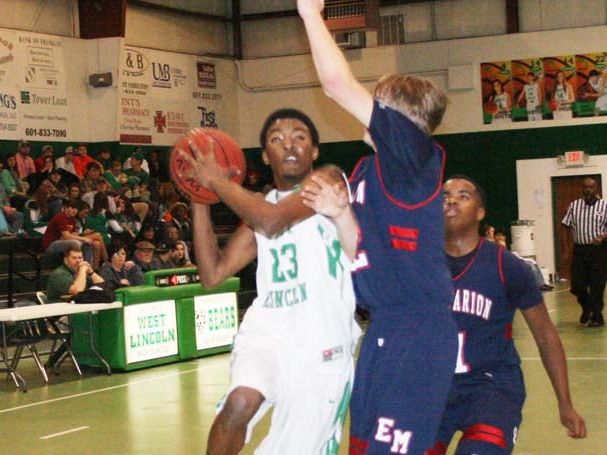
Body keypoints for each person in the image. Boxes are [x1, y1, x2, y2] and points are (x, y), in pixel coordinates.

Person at [298, 3, 459, 453]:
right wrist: (339, 214)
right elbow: (361, 251)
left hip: (419, 331)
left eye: (375, 101)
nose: (365, 107)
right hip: (383, 327)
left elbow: (335, 84)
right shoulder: (369, 171)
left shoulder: (414, 154)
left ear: (396, 115)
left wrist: (311, 14)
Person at [177, 108, 360, 455]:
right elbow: (212, 275)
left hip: (322, 339)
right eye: (277, 139)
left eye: (300, 137)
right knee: (238, 404)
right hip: (270, 328)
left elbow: (274, 221)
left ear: (315, 151)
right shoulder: (259, 211)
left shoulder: (329, 181)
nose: (289, 144)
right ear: (264, 156)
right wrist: (199, 196)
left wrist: (215, 180)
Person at [426, 176, 586, 454]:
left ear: (480, 213)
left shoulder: (506, 266)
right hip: (432, 386)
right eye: (444, 196)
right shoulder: (419, 264)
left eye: (463, 196)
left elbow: (545, 335)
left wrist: (565, 403)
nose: (450, 200)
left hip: (491, 385)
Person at [561, 177, 607, 327]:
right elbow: (565, 226)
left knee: (596, 285)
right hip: (580, 249)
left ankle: (597, 316)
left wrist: (602, 237)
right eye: (585, 187)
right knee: (577, 285)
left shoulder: (605, 206)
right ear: (582, 189)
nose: (588, 190)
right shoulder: (574, 206)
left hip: (600, 250)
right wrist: (567, 248)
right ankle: (587, 308)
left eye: (591, 187)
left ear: (596, 189)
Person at [44, 245, 105, 368]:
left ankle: (93, 357)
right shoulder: (59, 274)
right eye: (74, 258)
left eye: (80, 258)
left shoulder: (77, 273)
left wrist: (91, 272)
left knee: (100, 318)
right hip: (57, 319)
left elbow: (102, 285)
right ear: (66, 259)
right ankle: (87, 359)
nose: (78, 261)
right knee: (92, 321)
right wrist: (82, 271)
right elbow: (77, 290)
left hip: (73, 314)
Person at [42, 199, 102, 267]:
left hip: (63, 241)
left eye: (76, 209)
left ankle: (87, 268)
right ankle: (76, 267)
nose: (74, 210)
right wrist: (83, 238)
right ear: (66, 208)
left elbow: (73, 234)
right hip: (51, 245)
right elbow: (67, 236)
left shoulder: (72, 219)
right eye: (72, 208)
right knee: (76, 243)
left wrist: (76, 237)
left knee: (87, 243)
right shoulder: (61, 217)